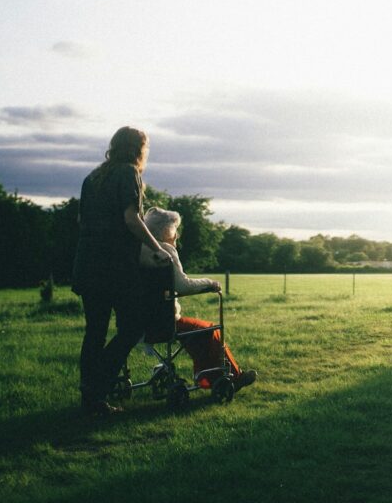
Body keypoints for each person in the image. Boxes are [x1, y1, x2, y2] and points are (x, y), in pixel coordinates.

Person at [72, 126, 172, 415]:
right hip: (114, 267)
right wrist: (157, 247)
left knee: (95, 332)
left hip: (87, 264)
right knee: (133, 327)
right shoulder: (129, 172)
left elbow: (82, 220)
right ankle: (97, 386)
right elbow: (131, 218)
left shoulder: (92, 177)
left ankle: (90, 397)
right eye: (146, 147)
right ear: (138, 148)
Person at [139, 207, 257, 391]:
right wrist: (210, 283)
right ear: (165, 231)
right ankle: (231, 377)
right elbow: (183, 286)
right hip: (164, 322)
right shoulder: (165, 251)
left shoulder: (138, 250)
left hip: (139, 322)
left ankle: (207, 378)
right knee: (209, 330)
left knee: (196, 332)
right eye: (175, 230)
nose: (177, 235)